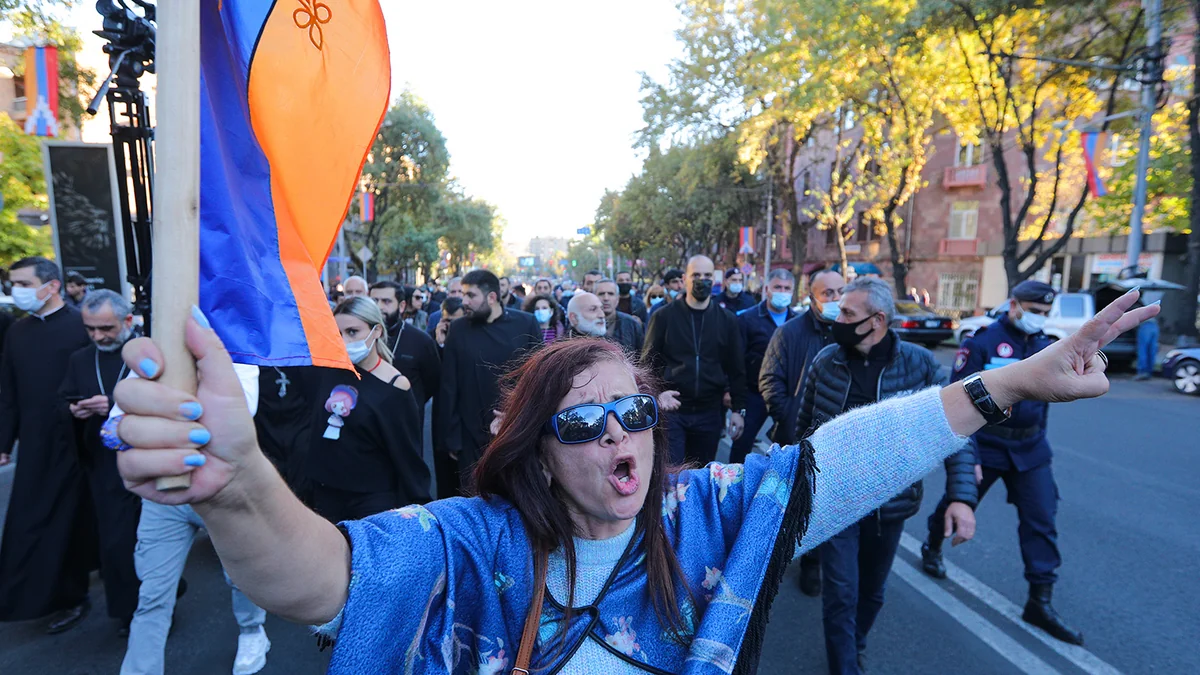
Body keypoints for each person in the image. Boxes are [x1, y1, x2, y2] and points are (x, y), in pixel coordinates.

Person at [103, 287, 1154, 674]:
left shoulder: (711, 515)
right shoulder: (472, 541)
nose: (624, 440)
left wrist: (1012, 380)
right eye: (584, 423)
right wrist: (236, 485)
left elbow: (849, 458)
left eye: (633, 413)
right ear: (532, 450)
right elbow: (322, 579)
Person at [796, 279, 978, 674]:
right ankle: (845, 667)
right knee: (840, 594)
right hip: (836, 498)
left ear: (877, 321)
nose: (837, 319)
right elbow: (802, 430)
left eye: (847, 313)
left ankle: (854, 645)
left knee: (872, 593)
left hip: (889, 504)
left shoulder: (920, 365)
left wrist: (962, 497)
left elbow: (957, 429)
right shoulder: (826, 362)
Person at [921, 280, 1084, 645]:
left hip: (1030, 450)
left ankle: (1040, 601)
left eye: (1045, 313)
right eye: (1033, 311)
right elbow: (959, 402)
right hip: (988, 446)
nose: (1039, 319)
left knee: (1042, 519)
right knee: (958, 503)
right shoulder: (981, 342)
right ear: (1014, 305)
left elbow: (1043, 406)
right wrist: (970, 455)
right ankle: (932, 546)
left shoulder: (1047, 346)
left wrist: (1040, 441)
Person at [115, 364, 273, 675]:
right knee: (152, 594)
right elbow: (114, 422)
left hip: (221, 492)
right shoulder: (156, 354)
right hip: (164, 496)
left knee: (240, 577)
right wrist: (122, 431)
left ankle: (253, 631)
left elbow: (240, 413)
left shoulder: (237, 356)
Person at [0, 257, 93, 633]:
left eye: (23, 283)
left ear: (51, 286)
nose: (15, 291)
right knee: (38, 519)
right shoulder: (17, 333)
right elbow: (8, 392)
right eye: (13, 284)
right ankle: (63, 597)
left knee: (92, 518)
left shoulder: (81, 326)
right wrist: (4, 441)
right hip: (38, 444)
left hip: (85, 440)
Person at [58, 290, 142, 636]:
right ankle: (129, 612)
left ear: (126, 321)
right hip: (104, 465)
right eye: (90, 329)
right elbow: (64, 399)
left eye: (105, 328)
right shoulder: (80, 359)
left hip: (144, 458)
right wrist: (74, 410)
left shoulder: (144, 353)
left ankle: (162, 594)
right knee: (116, 542)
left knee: (149, 539)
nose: (98, 337)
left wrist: (114, 405)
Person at [758, 268, 845, 596]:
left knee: (823, 504)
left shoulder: (848, 332)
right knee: (792, 501)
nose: (836, 299)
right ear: (812, 298)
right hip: (795, 437)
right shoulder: (790, 333)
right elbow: (770, 380)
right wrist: (791, 418)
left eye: (840, 292)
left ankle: (813, 562)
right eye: (828, 294)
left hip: (835, 438)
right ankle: (777, 557)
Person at [308, 297, 430, 523]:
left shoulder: (395, 385)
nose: (344, 340)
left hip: (372, 501)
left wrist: (416, 507)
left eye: (353, 331)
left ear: (376, 331)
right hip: (325, 494)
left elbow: (407, 454)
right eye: (338, 333)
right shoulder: (326, 371)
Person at [436, 270, 542, 492]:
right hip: (470, 436)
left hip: (516, 431)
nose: (464, 302)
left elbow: (538, 379)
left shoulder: (526, 324)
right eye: (463, 295)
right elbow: (449, 386)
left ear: (491, 297)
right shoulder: (458, 329)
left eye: (471, 296)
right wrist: (452, 439)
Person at [643, 255, 747, 466]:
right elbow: (647, 364)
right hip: (673, 411)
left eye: (707, 275)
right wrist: (656, 394)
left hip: (710, 412)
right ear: (685, 279)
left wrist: (738, 409)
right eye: (696, 275)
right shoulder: (663, 317)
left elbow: (737, 369)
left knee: (701, 476)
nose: (702, 280)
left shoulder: (727, 320)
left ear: (714, 279)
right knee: (672, 475)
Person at [731, 269, 797, 464]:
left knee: (787, 447)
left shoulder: (797, 323)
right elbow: (737, 362)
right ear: (767, 289)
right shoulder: (747, 319)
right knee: (742, 445)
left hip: (785, 395)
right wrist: (735, 398)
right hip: (753, 394)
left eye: (787, 288)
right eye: (778, 287)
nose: (782, 292)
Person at [370, 282, 440, 427]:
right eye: (374, 301)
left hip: (407, 421)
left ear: (401, 306)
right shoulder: (361, 337)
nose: (379, 307)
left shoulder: (421, 340)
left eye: (386, 301)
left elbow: (433, 382)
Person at [595, 278, 645, 355]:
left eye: (611, 294)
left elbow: (642, 356)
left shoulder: (632, 324)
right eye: (601, 294)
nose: (606, 298)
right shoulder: (585, 324)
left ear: (617, 298)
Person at [1135, 304, 1159, 381]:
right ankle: (1149, 372)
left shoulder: (1138, 303)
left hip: (1145, 326)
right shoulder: (1150, 302)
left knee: (1143, 350)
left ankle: (1142, 372)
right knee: (1152, 351)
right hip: (1154, 326)